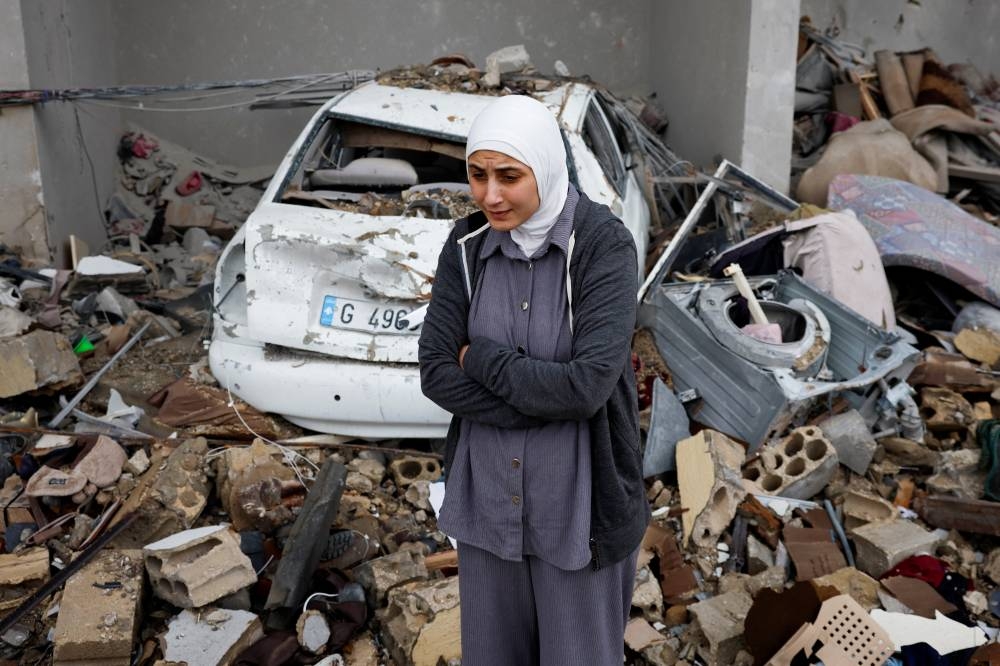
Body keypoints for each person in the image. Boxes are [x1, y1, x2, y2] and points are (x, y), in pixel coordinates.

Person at [418, 93, 649, 666]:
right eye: (477, 175)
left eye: (508, 176)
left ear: (544, 166)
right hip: (487, 501)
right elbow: (436, 372)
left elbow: (587, 387)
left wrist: (481, 359)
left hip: (578, 508)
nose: (489, 195)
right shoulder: (467, 246)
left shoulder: (602, 246)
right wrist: (543, 399)